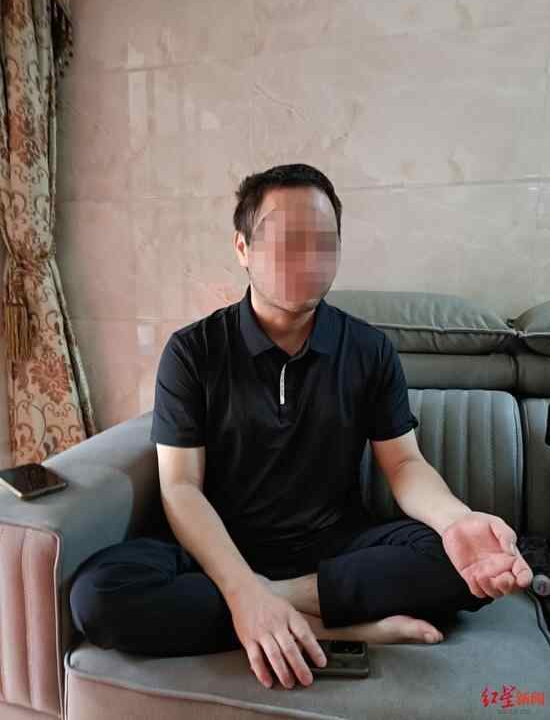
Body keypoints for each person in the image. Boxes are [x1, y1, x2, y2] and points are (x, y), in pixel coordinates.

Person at [69, 163, 533, 691]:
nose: (309, 258)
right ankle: (329, 626)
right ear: (242, 247)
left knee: (465, 566)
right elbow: (180, 488)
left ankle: (276, 607)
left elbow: (404, 464)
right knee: (98, 595)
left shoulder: (369, 349)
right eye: (286, 241)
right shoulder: (193, 351)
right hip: (221, 548)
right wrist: (240, 587)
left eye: (323, 242)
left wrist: (455, 520)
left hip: (334, 547)